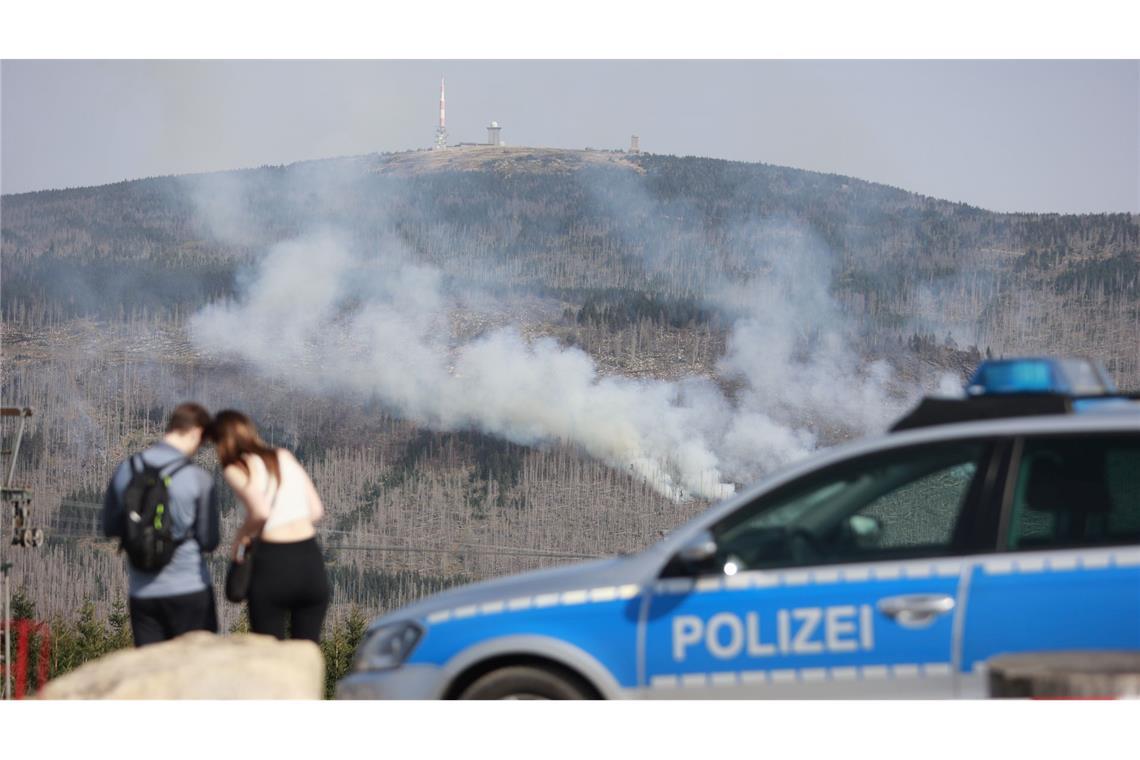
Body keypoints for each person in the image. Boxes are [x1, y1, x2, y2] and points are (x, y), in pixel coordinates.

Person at [102, 402, 221, 646]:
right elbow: (209, 541)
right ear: (196, 432)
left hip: (143, 593)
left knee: (152, 674)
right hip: (190, 589)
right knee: (195, 672)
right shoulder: (198, 478)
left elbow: (110, 527)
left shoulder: (127, 469)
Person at [209, 409, 329, 643]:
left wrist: (241, 538)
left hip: (274, 562)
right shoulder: (283, 456)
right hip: (310, 560)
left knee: (269, 653)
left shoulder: (236, 468)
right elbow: (316, 511)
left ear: (222, 442)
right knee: (305, 654)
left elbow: (261, 511)